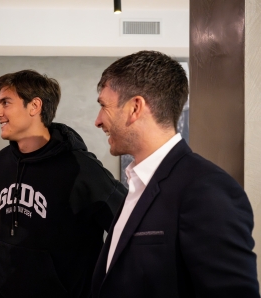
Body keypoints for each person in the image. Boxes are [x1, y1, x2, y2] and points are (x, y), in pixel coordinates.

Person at [90, 51, 259, 297]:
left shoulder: (206, 189)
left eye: (104, 106)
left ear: (135, 107)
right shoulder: (137, 184)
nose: (98, 121)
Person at [0, 69, 126, 297]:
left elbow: (128, 224)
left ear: (34, 106)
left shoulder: (82, 169)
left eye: (5, 103)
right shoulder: (0, 163)